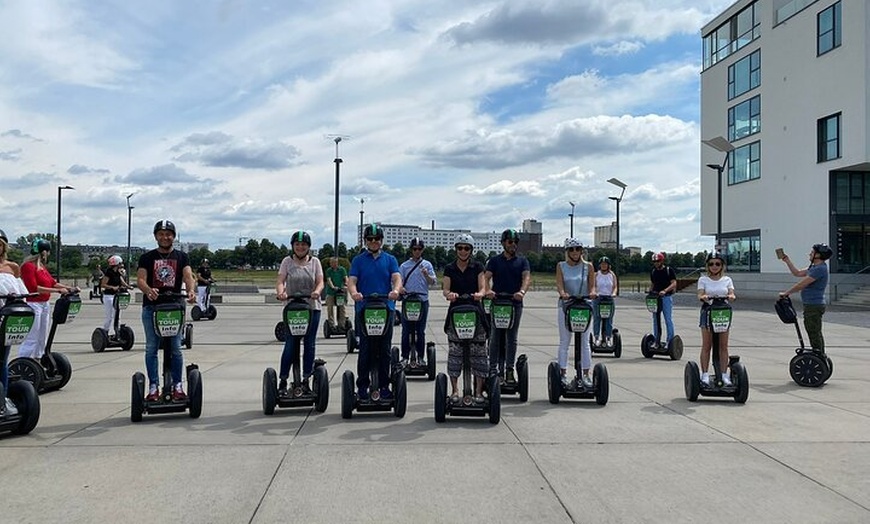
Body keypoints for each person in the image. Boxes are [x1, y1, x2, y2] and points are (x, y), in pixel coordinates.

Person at [136, 220, 196, 402]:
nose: (165, 237)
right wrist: (148, 290)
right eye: (161, 234)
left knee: (176, 348)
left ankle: (177, 385)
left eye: (168, 234)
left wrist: (191, 290)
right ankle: (153, 386)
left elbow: (188, 276)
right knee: (151, 348)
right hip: (152, 307)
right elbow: (140, 279)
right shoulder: (147, 257)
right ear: (155, 236)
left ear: (173, 236)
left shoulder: (181, 257)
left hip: (175, 307)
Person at [348, 224, 401, 400]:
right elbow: (352, 280)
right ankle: (362, 386)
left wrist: (396, 290)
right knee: (365, 348)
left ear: (381, 240)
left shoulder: (390, 259)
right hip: (364, 308)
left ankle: (384, 385)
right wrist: (354, 293)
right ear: (365, 241)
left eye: (376, 239)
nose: (373, 242)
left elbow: (396, 278)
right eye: (369, 239)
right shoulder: (358, 260)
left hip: (386, 308)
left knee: (384, 349)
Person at [275, 231, 324, 393]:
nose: (300, 247)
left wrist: (317, 291)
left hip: (311, 308)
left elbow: (320, 281)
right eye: (297, 244)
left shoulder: (315, 262)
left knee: (309, 343)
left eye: (303, 244)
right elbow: (280, 280)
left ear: (308, 247)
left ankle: (305, 379)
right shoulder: (286, 262)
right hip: (292, 308)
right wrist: (281, 292)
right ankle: (283, 380)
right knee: (290, 343)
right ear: (293, 246)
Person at [442, 234, 487, 402]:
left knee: (479, 353)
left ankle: (478, 392)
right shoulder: (449, 268)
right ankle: (454, 391)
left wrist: (480, 294)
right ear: (456, 250)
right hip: (456, 313)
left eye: (466, 248)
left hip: (475, 312)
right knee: (455, 353)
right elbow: (445, 289)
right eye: (460, 248)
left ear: (471, 250)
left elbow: (482, 287)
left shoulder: (477, 266)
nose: (463, 251)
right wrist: (450, 294)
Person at [18, 238, 80, 359]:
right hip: (33, 304)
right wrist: (57, 291)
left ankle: (39, 358)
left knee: (42, 336)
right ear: (43, 252)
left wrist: (69, 288)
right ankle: (24, 360)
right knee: (33, 336)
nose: (49, 254)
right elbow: (34, 288)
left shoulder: (41, 267)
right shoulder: (28, 266)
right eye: (48, 251)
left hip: (44, 304)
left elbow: (52, 282)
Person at [484, 228, 531, 384]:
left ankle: (509, 370)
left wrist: (522, 291)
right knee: (495, 337)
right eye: (510, 242)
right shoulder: (495, 261)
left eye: (515, 242)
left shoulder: (522, 261)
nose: (513, 245)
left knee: (512, 337)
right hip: (498, 303)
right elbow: (486, 277)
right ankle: (493, 369)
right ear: (503, 243)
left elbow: (526, 278)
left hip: (514, 303)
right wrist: (487, 290)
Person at [555, 238, 596, 387]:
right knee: (564, 341)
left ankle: (585, 374)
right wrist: (563, 293)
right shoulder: (561, 266)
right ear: (567, 252)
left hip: (584, 306)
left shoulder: (588, 267)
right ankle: (562, 373)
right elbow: (559, 284)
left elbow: (592, 286)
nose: (575, 252)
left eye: (577, 249)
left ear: (581, 251)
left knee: (585, 341)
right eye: (571, 249)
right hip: (566, 306)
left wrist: (592, 293)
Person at [779, 243, 832, 353]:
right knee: (814, 331)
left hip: (814, 305)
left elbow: (801, 284)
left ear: (818, 255)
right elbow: (797, 273)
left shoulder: (820, 269)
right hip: (811, 305)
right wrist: (787, 261)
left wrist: (787, 293)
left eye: (812, 252)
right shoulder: (814, 267)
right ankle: (819, 353)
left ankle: (818, 355)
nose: (810, 253)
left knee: (813, 332)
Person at [697, 253, 736, 386]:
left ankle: (724, 375)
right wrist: (703, 297)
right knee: (707, 345)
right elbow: (700, 294)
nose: (714, 266)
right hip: (708, 311)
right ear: (707, 266)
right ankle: (705, 374)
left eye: (717, 264)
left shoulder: (727, 280)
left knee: (723, 346)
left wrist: (731, 296)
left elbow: (731, 292)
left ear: (722, 265)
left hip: (722, 312)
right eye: (711, 264)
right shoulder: (703, 279)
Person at [1, 229, 29, 413]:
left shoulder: (13, 267)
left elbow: (23, 292)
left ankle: (2, 399)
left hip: (6, 317)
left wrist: (16, 298)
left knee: (2, 360)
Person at [399, 237, 437, 366]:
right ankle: (405, 357)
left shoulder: (427, 264)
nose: (417, 251)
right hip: (408, 300)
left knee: (420, 331)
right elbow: (398, 282)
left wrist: (426, 275)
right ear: (411, 250)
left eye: (419, 249)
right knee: (406, 331)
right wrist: (401, 288)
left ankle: (421, 357)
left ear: (422, 250)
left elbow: (433, 282)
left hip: (422, 300)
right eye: (414, 249)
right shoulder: (404, 266)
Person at [649, 252, 677, 346]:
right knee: (655, 319)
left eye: (658, 261)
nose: (656, 263)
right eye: (654, 261)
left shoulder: (669, 270)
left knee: (667, 319)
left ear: (662, 261)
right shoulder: (653, 271)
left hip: (666, 297)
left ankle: (670, 341)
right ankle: (656, 340)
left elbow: (674, 283)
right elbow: (653, 284)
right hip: (656, 298)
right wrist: (650, 292)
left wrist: (665, 290)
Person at [592, 255, 619, 347]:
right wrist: (595, 293)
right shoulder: (596, 275)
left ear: (608, 265)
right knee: (597, 318)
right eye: (602, 264)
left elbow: (615, 287)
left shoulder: (612, 275)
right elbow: (593, 286)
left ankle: (608, 338)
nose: (604, 265)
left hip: (609, 299)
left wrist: (614, 293)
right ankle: (596, 338)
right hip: (598, 299)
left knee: (609, 319)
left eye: (605, 264)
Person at [100, 255, 129, 332]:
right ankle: (105, 331)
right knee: (109, 317)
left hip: (116, 296)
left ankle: (117, 332)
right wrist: (112, 287)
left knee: (117, 316)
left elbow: (122, 281)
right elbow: (103, 284)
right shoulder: (109, 273)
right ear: (117, 263)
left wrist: (128, 286)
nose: (122, 265)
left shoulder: (118, 273)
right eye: (120, 263)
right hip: (108, 296)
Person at [324, 257, 348, 330]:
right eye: (331, 263)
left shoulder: (342, 269)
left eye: (335, 262)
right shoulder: (329, 270)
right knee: (330, 308)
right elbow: (329, 280)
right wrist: (333, 287)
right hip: (331, 292)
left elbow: (346, 277)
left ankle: (342, 324)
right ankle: (332, 325)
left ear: (337, 263)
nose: (333, 264)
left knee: (342, 308)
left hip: (340, 292)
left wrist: (346, 284)